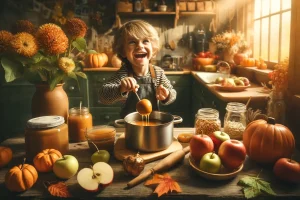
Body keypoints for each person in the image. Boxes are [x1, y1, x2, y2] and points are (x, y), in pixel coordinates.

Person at [98, 20, 177, 118]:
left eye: (145, 41)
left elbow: (173, 93)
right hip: (129, 126)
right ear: (123, 51)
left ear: (153, 49)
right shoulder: (123, 74)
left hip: (152, 124)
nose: (140, 46)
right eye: (132, 42)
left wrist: (167, 95)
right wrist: (121, 89)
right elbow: (103, 97)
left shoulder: (158, 73)